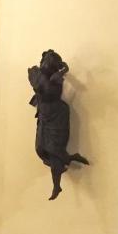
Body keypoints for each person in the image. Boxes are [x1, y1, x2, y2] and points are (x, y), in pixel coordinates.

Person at [28, 49, 89, 200]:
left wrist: (61, 73)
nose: (45, 64)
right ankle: (69, 158)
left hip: (57, 115)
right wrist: (60, 73)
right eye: (45, 61)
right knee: (40, 148)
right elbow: (40, 86)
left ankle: (57, 185)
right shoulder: (37, 74)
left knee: (53, 150)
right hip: (44, 116)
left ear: (54, 65)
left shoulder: (55, 79)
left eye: (50, 62)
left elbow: (49, 92)